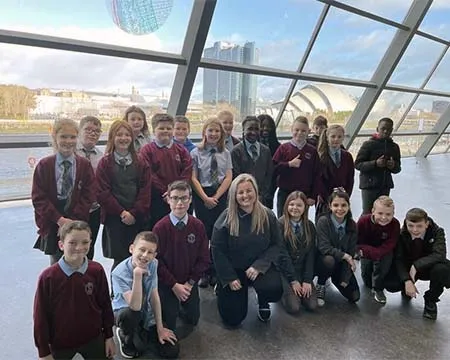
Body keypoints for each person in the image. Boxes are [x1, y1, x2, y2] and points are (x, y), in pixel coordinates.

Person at [33, 221, 115, 360]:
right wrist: (44, 352)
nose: (79, 247)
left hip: (93, 339)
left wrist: (109, 336)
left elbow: (105, 304)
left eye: (85, 242)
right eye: (72, 243)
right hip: (61, 344)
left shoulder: (96, 270)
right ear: (61, 245)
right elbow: (40, 317)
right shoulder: (48, 277)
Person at [211, 174, 283, 326]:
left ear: (256, 191)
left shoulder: (268, 215)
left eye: (249, 191)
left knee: (273, 288)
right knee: (232, 319)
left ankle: (263, 300)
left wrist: (259, 265)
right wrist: (228, 277)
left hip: (257, 267)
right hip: (234, 269)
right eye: (241, 192)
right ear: (234, 196)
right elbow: (217, 250)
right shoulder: (225, 219)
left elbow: (277, 244)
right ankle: (223, 285)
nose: (245, 195)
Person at [32, 119, 95, 264]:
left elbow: (88, 194)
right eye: (64, 137)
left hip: (76, 219)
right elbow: (39, 198)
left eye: (72, 137)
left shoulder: (84, 165)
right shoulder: (44, 165)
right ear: (55, 137)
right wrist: (60, 220)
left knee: (79, 259)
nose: (68, 141)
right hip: (54, 220)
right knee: (57, 263)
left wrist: (72, 221)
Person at [153, 181, 210, 332]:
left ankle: (183, 304)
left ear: (190, 199)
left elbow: (204, 258)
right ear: (168, 200)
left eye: (184, 198)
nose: (180, 203)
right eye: (175, 198)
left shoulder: (198, 226)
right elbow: (156, 261)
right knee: (169, 321)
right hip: (167, 283)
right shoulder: (160, 228)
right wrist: (174, 285)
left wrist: (190, 283)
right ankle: (170, 305)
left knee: (193, 319)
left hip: (188, 282)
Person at [112, 231, 180, 359]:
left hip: (145, 310)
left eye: (150, 252)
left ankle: (144, 332)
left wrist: (160, 328)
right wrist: (137, 276)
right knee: (131, 319)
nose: (145, 255)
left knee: (172, 351)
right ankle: (124, 334)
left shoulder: (153, 263)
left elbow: (154, 296)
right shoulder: (119, 273)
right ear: (132, 249)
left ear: (155, 255)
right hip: (127, 311)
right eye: (142, 250)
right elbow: (134, 306)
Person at [96, 120, 151, 273]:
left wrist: (133, 213)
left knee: (140, 257)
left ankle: (138, 291)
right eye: (119, 134)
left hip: (137, 218)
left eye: (127, 134)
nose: (123, 138)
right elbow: (102, 192)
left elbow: (145, 191)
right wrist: (122, 212)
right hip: (115, 220)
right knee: (119, 259)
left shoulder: (141, 162)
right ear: (112, 137)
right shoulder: (105, 163)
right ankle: (118, 293)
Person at [190, 117, 233, 288]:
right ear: (204, 133)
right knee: (204, 235)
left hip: (221, 194)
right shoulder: (195, 153)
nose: (214, 134)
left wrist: (216, 195)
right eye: (211, 130)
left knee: (218, 234)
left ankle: (216, 269)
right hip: (202, 195)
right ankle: (203, 271)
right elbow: (193, 177)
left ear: (221, 134)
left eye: (217, 131)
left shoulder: (226, 153)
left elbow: (229, 176)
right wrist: (206, 198)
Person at [386, 208, 450, 320]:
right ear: (406, 223)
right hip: (408, 268)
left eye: (419, 226)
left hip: (428, 268)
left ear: (426, 224)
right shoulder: (402, 234)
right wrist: (407, 280)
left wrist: (416, 265)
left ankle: (431, 300)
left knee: (442, 270)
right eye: (410, 226)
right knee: (391, 284)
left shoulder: (437, 232)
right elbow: (399, 259)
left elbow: (439, 255)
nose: (415, 230)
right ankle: (406, 288)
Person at [140, 113, 193, 230]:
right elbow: (149, 173)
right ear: (154, 130)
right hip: (157, 199)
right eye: (161, 128)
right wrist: (166, 192)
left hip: (178, 199)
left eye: (169, 128)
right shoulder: (147, 150)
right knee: (157, 230)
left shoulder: (181, 150)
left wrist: (175, 191)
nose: (165, 131)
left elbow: (187, 171)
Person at [315, 189, 360, 306]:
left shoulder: (352, 225)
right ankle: (321, 284)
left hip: (341, 264)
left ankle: (336, 278)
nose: (340, 209)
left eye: (344, 205)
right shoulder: (323, 221)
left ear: (349, 206)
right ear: (329, 206)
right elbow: (324, 247)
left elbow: (350, 251)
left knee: (355, 296)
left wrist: (345, 277)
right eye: (335, 205)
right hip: (323, 261)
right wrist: (344, 256)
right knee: (329, 260)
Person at [277, 191, 318, 314]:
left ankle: (298, 292)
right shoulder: (280, 224)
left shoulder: (310, 226)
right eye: (291, 204)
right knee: (294, 307)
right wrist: (293, 280)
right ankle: (282, 293)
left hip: (301, 270)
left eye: (299, 205)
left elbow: (311, 255)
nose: (295, 208)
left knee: (312, 305)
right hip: (285, 272)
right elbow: (282, 255)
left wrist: (307, 279)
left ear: (305, 207)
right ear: (286, 206)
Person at [273, 116, 320, 217]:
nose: (299, 133)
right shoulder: (283, 148)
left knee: (301, 223)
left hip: (304, 194)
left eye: (303, 131)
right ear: (291, 130)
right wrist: (289, 164)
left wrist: (313, 196)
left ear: (308, 132)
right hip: (285, 193)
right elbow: (273, 169)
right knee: (282, 222)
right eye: (297, 130)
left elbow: (317, 174)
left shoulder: (312, 151)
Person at [357, 196, 400, 304]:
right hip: (367, 250)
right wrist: (371, 252)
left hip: (383, 251)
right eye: (380, 213)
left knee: (384, 262)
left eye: (388, 214)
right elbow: (357, 241)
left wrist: (378, 253)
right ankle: (370, 273)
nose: (384, 217)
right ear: (373, 211)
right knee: (367, 281)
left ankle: (378, 289)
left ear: (393, 214)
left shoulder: (395, 224)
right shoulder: (363, 221)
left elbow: (391, 243)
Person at [354, 117, 401, 214]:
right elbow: (358, 164)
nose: (385, 131)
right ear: (377, 129)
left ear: (392, 130)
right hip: (369, 186)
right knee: (368, 213)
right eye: (383, 128)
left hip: (385, 185)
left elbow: (398, 168)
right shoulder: (368, 145)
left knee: (383, 212)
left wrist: (392, 165)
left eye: (388, 129)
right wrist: (375, 163)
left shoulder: (394, 147)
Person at [76, 115, 103, 260]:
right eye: (88, 129)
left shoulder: (101, 157)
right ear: (79, 131)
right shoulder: (70, 152)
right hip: (72, 210)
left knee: (88, 247)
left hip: (93, 210)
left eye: (97, 131)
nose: (92, 133)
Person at [231, 116, 273, 207]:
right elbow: (236, 176)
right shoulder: (236, 151)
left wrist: (260, 195)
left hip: (262, 199)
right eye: (250, 129)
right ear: (243, 130)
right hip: (243, 199)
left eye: (256, 129)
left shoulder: (266, 151)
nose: (253, 132)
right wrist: (247, 194)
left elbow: (269, 175)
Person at [316, 124, 354, 220]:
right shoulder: (320, 157)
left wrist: (345, 196)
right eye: (333, 136)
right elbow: (318, 181)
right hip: (325, 201)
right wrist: (329, 198)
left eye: (339, 137)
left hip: (342, 201)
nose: (336, 139)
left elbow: (350, 179)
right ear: (327, 137)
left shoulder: (347, 156)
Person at [257, 114, 281, 210]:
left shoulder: (278, 147)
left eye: (269, 126)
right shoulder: (251, 146)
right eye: (262, 126)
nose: (265, 129)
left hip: (270, 186)